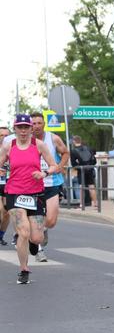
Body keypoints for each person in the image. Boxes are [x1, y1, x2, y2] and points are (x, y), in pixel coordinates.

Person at [0, 115, 58, 284]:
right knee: (23, 231)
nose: (23, 131)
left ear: (31, 129)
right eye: (20, 127)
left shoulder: (39, 145)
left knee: (37, 238)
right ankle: (23, 269)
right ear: (15, 128)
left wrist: (44, 173)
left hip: (36, 194)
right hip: (14, 193)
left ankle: (34, 244)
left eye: (27, 127)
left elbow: (54, 165)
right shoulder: (8, 146)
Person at [31, 112, 70, 262]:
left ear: (44, 124)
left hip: (52, 183)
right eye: (33, 123)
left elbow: (66, 152)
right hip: (32, 185)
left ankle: (43, 230)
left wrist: (60, 165)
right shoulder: (25, 140)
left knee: (51, 221)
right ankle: (39, 250)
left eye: (39, 123)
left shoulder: (53, 138)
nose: (36, 126)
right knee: (35, 219)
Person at [70, 135, 98, 209]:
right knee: (91, 186)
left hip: (81, 170)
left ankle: (81, 205)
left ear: (74, 141)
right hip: (90, 169)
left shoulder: (73, 151)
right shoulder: (88, 148)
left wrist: (78, 166)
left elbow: (73, 164)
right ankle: (95, 204)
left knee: (81, 187)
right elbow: (94, 160)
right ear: (80, 140)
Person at [0, 126, 11, 246]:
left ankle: (1, 235)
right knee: (0, 211)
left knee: (7, 213)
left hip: (9, 184)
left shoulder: (13, 149)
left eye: (6, 135)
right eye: (1, 135)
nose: (4, 138)